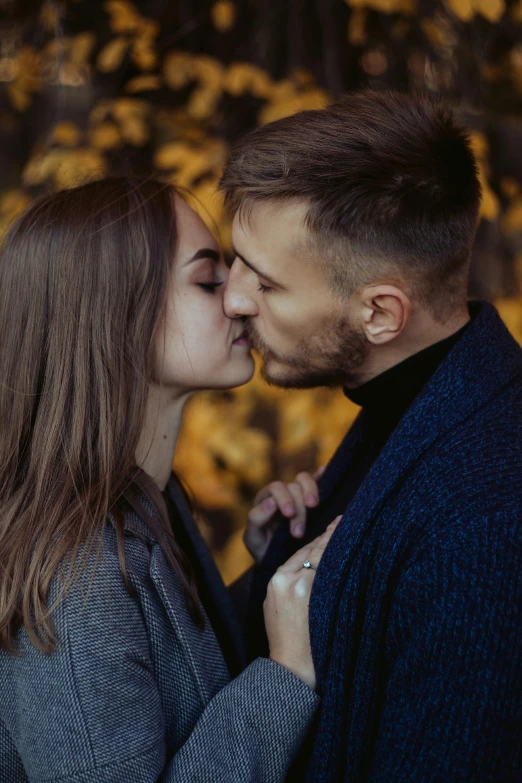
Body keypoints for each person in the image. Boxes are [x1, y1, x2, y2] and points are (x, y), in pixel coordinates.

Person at [219, 90, 522, 781]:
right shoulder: (420, 404)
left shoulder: (487, 520)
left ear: (381, 313)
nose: (234, 298)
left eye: (266, 283)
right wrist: (275, 559)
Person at [0, 177, 338, 783]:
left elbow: (172, 683)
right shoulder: (79, 579)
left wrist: (266, 574)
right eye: (209, 281)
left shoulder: (145, 498)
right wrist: (285, 674)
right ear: (112, 313)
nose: (240, 300)